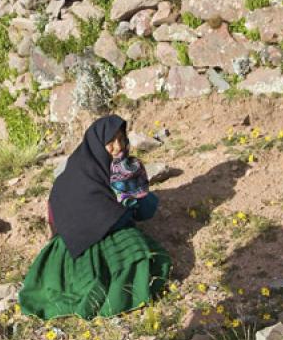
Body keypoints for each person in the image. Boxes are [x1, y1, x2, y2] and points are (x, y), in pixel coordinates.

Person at [19, 115, 170, 320]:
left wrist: (137, 194)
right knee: (129, 257)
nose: (118, 146)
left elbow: (145, 212)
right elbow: (111, 216)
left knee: (140, 253)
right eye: (111, 141)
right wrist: (130, 204)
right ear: (98, 143)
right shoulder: (83, 174)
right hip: (77, 246)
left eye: (121, 139)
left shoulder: (123, 169)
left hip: (89, 237)